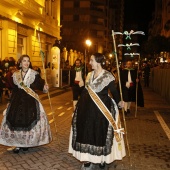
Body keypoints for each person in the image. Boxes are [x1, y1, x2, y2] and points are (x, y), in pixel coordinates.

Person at [69, 53, 125, 170]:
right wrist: (78, 106)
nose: (89, 63)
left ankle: (102, 158)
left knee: (100, 133)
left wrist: (119, 101)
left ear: (98, 61)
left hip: (102, 110)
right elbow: (85, 91)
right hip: (87, 109)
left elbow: (114, 91)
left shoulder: (108, 76)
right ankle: (88, 159)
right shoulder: (89, 75)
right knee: (87, 133)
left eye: (91, 60)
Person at [0, 54, 52, 153]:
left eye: (28, 61)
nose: (26, 63)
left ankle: (26, 143)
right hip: (17, 101)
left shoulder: (34, 74)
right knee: (16, 122)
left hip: (30, 101)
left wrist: (44, 87)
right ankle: (18, 144)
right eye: (24, 61)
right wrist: (10, 102)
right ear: (20, 63)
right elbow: (14, 89)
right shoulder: (15, 75)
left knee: (28, 121)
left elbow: (40, 85)